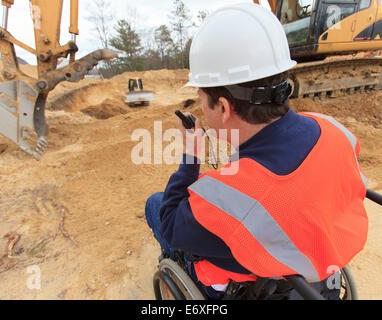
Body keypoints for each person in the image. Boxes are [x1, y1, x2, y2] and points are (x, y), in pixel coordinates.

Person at [145, 3, 368, 300]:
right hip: (317, 261)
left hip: (252, 275)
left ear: (223, 107)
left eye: (202, 99)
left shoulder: (233, 196)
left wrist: (191, 158)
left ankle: (179, 268)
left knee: (156, 205)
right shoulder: (333, 129)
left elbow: (172, 221)